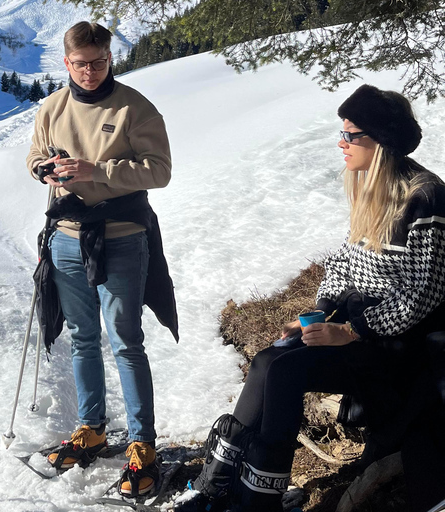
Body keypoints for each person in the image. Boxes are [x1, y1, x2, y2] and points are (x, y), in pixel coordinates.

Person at [181, 84, 445, 512]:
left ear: (382, 140)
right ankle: (217, 486)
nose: (341, 143)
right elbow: (342, 264)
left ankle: (258, 501)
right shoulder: (369, 188)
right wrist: (319, 311)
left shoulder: (424, 197)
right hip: (360, 333)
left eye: (351, 134)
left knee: (284, 373)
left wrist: (351, 330)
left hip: (397, 347)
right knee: (269, 360)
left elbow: (423, 295)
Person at [26, 21, 178, 497]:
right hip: (67, 235)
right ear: (65, 61)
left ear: (111, 57)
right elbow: (33, 158)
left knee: (126, 340)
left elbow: (160, 172)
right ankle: (91, 429)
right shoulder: (52, 106)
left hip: (122, 234)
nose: (90, 72)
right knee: (82, 336)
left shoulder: (135, 107)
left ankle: (142, 444)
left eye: (99, 62)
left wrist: (97, 170)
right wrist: (45, 170)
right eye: (80, 64)